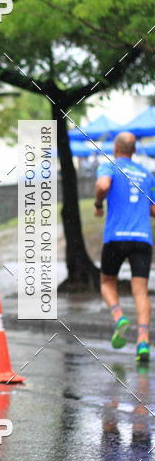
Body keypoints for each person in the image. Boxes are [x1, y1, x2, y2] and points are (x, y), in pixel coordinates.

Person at [95, 131, 155, 362]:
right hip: (142, 238)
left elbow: (102, 184)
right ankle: (143, 342)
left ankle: (119, 316)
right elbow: (153, 209)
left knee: (107, 281)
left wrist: (98, 203)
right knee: (140, 291)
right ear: (134, 150)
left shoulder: (109, 165)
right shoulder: (148, 175)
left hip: (116, 237)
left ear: (115, 149)